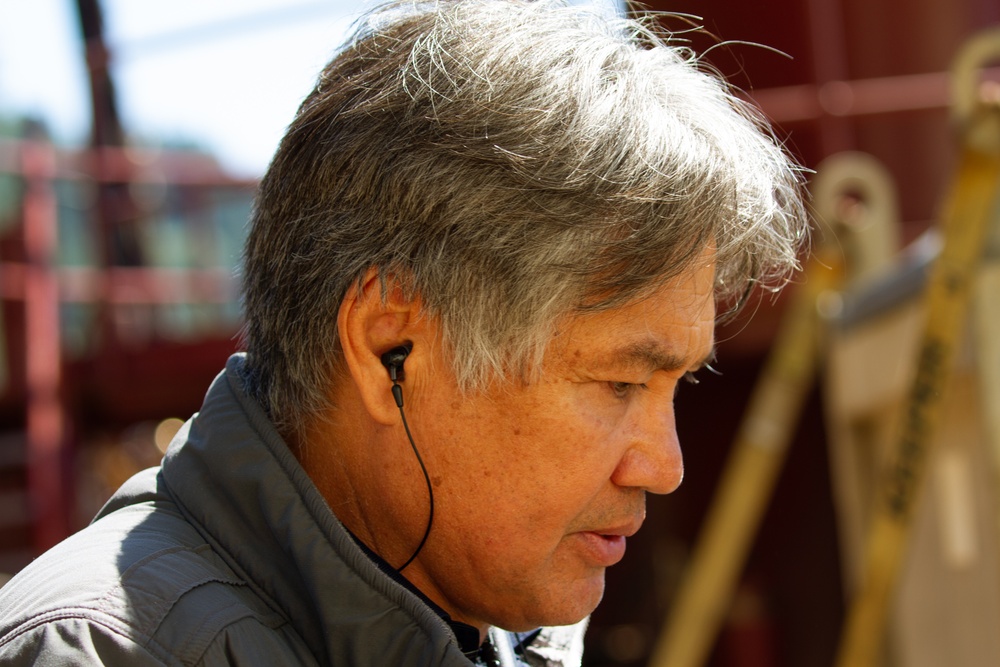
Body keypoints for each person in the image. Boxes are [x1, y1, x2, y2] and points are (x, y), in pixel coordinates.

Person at [0, 0, 807, 664]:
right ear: (390, 346)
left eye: (676, 385)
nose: (664, 467)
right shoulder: (101, 652)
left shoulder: (509, 619)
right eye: (621, 382)